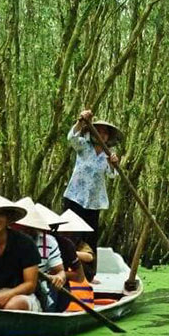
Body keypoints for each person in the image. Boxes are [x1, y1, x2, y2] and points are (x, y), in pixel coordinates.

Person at [63, 109, 122, 281]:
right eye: (99, 131)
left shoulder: (107, 155)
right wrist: (81, 121)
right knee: (70, 236)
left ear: (108, 138)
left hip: (94, 203)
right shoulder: (83, 146)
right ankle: (65, 270)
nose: (102, 135)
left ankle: (89, 275)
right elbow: (71, 138)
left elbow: (113, 175)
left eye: (105, 133)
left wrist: (114, 164)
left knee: (90, 238)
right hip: (74, 198)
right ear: (92, 132)